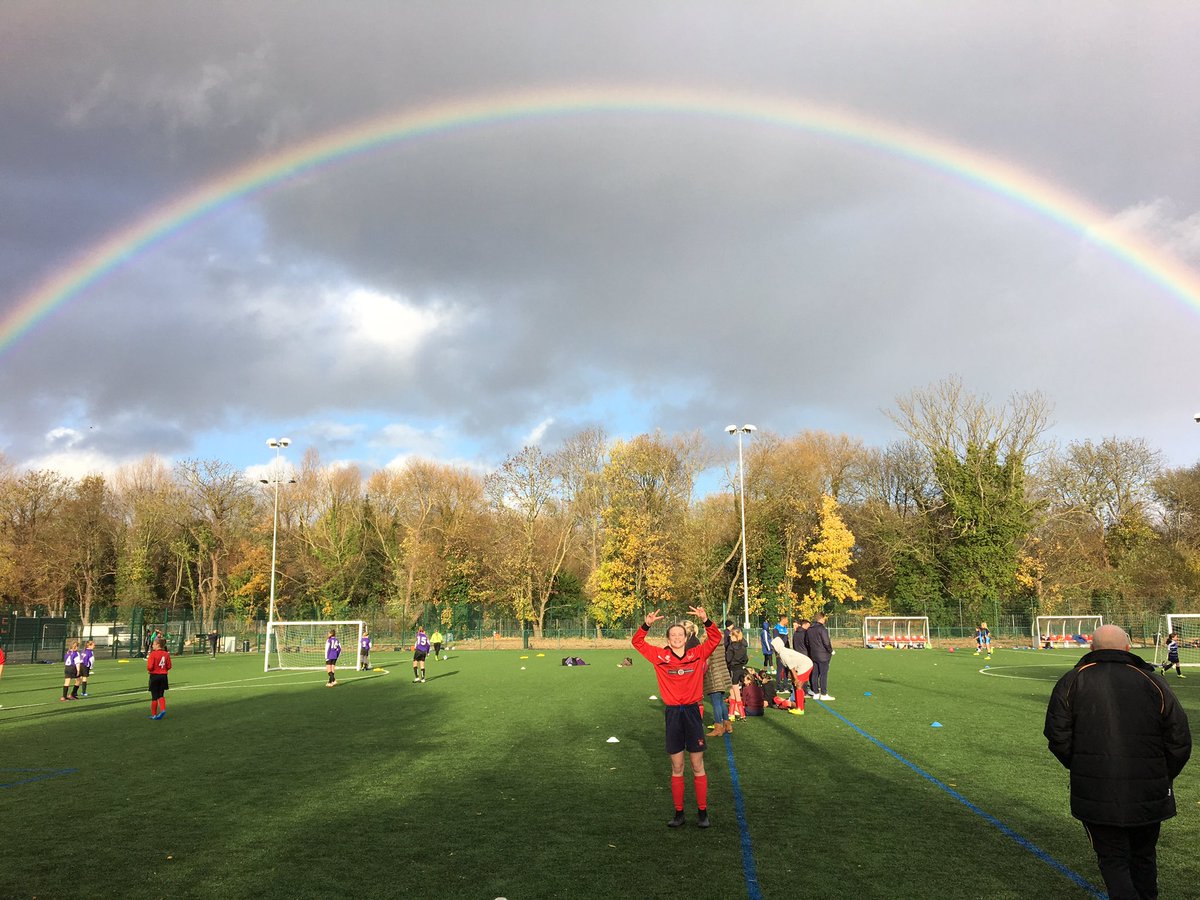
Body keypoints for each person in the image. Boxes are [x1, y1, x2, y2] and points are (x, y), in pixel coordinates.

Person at [1045, 624, 1191, 900]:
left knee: (1114, 860)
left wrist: (1084, 767)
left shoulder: (1073, 680)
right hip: (1147, 790)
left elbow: (1058, 737)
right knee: (1142, 857)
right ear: (1128, 648)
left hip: (1100, 792)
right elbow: (1179, 738)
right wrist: (1160, 774)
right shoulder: (1152, 681)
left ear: (1091, 648)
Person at [631, 605, 722, 828]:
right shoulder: (660, 656)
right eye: (673, 635)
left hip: (692, 712)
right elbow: (637, 643)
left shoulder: (696, 653)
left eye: (680, 635)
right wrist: (647, 624)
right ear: (668, 638)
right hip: (672, 714)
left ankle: (702, 813)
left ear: (686, 636)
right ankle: (679, 813)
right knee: (677, 766)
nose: (677, 638)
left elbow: (716, 638)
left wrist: (705, 619)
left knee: (697, 764)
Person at [772, 636, 813, 716]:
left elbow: (792, 668)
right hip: (803, 665)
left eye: (773, 646)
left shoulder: (783, 654)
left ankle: (800, 709)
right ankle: (798, 706)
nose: (772, 648)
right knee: (796, 686)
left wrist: (796, 679)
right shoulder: (782, 652)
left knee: (798, 685)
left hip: (805, 665)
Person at [704, 632, 734, 737]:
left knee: (716, 703)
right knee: (721, 702)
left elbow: (706, 661)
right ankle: (727, 724)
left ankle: (718, 727)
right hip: (722, 675)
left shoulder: (711, 645)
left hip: (714, 676)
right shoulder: (721, 644)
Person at [807, 612, 834, 701]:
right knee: (823, 674)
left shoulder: (810, 629)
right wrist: (831, 650)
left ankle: (815, 693)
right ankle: (823, 693)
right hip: (823, 655)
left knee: (814, 674)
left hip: (813, 654)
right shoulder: (822, 629)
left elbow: (807, 642)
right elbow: (826, 642)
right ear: (821, 618)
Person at [725, 627, 749, 720]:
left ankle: (736, 713)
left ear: (734, 636)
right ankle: (736, 712)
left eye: (731, 634)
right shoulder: (743, 646)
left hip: (733, 670)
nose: (730, 636)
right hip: (740, 669)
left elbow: (728, 659)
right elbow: (745, 659)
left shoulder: (731, 647)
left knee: (734, 692)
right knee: (736, 692)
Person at [146, 637, 172, 719]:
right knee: (161, 694)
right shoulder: (166, 654)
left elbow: (150, 667)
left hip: (155, 676)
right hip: (163, 676)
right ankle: (163, 709)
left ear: (158, 645)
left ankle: (154, 715)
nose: (152, 645)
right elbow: (169, 666)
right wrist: (163, 669)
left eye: (153, 644)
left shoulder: (153, 654)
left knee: (154, 696)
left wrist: (151, 670)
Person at [773, 614, 791, 690]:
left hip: (786, 651)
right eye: (786, 619)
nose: (787, 621)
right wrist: (778, 653)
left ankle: (786, 685)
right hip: (780, 652)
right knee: (780, 669)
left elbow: (787, 641)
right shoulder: (776, 629)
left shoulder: (785, 628)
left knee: (786, 668)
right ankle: (778, 686)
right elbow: (777, 641)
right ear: (783, 619)